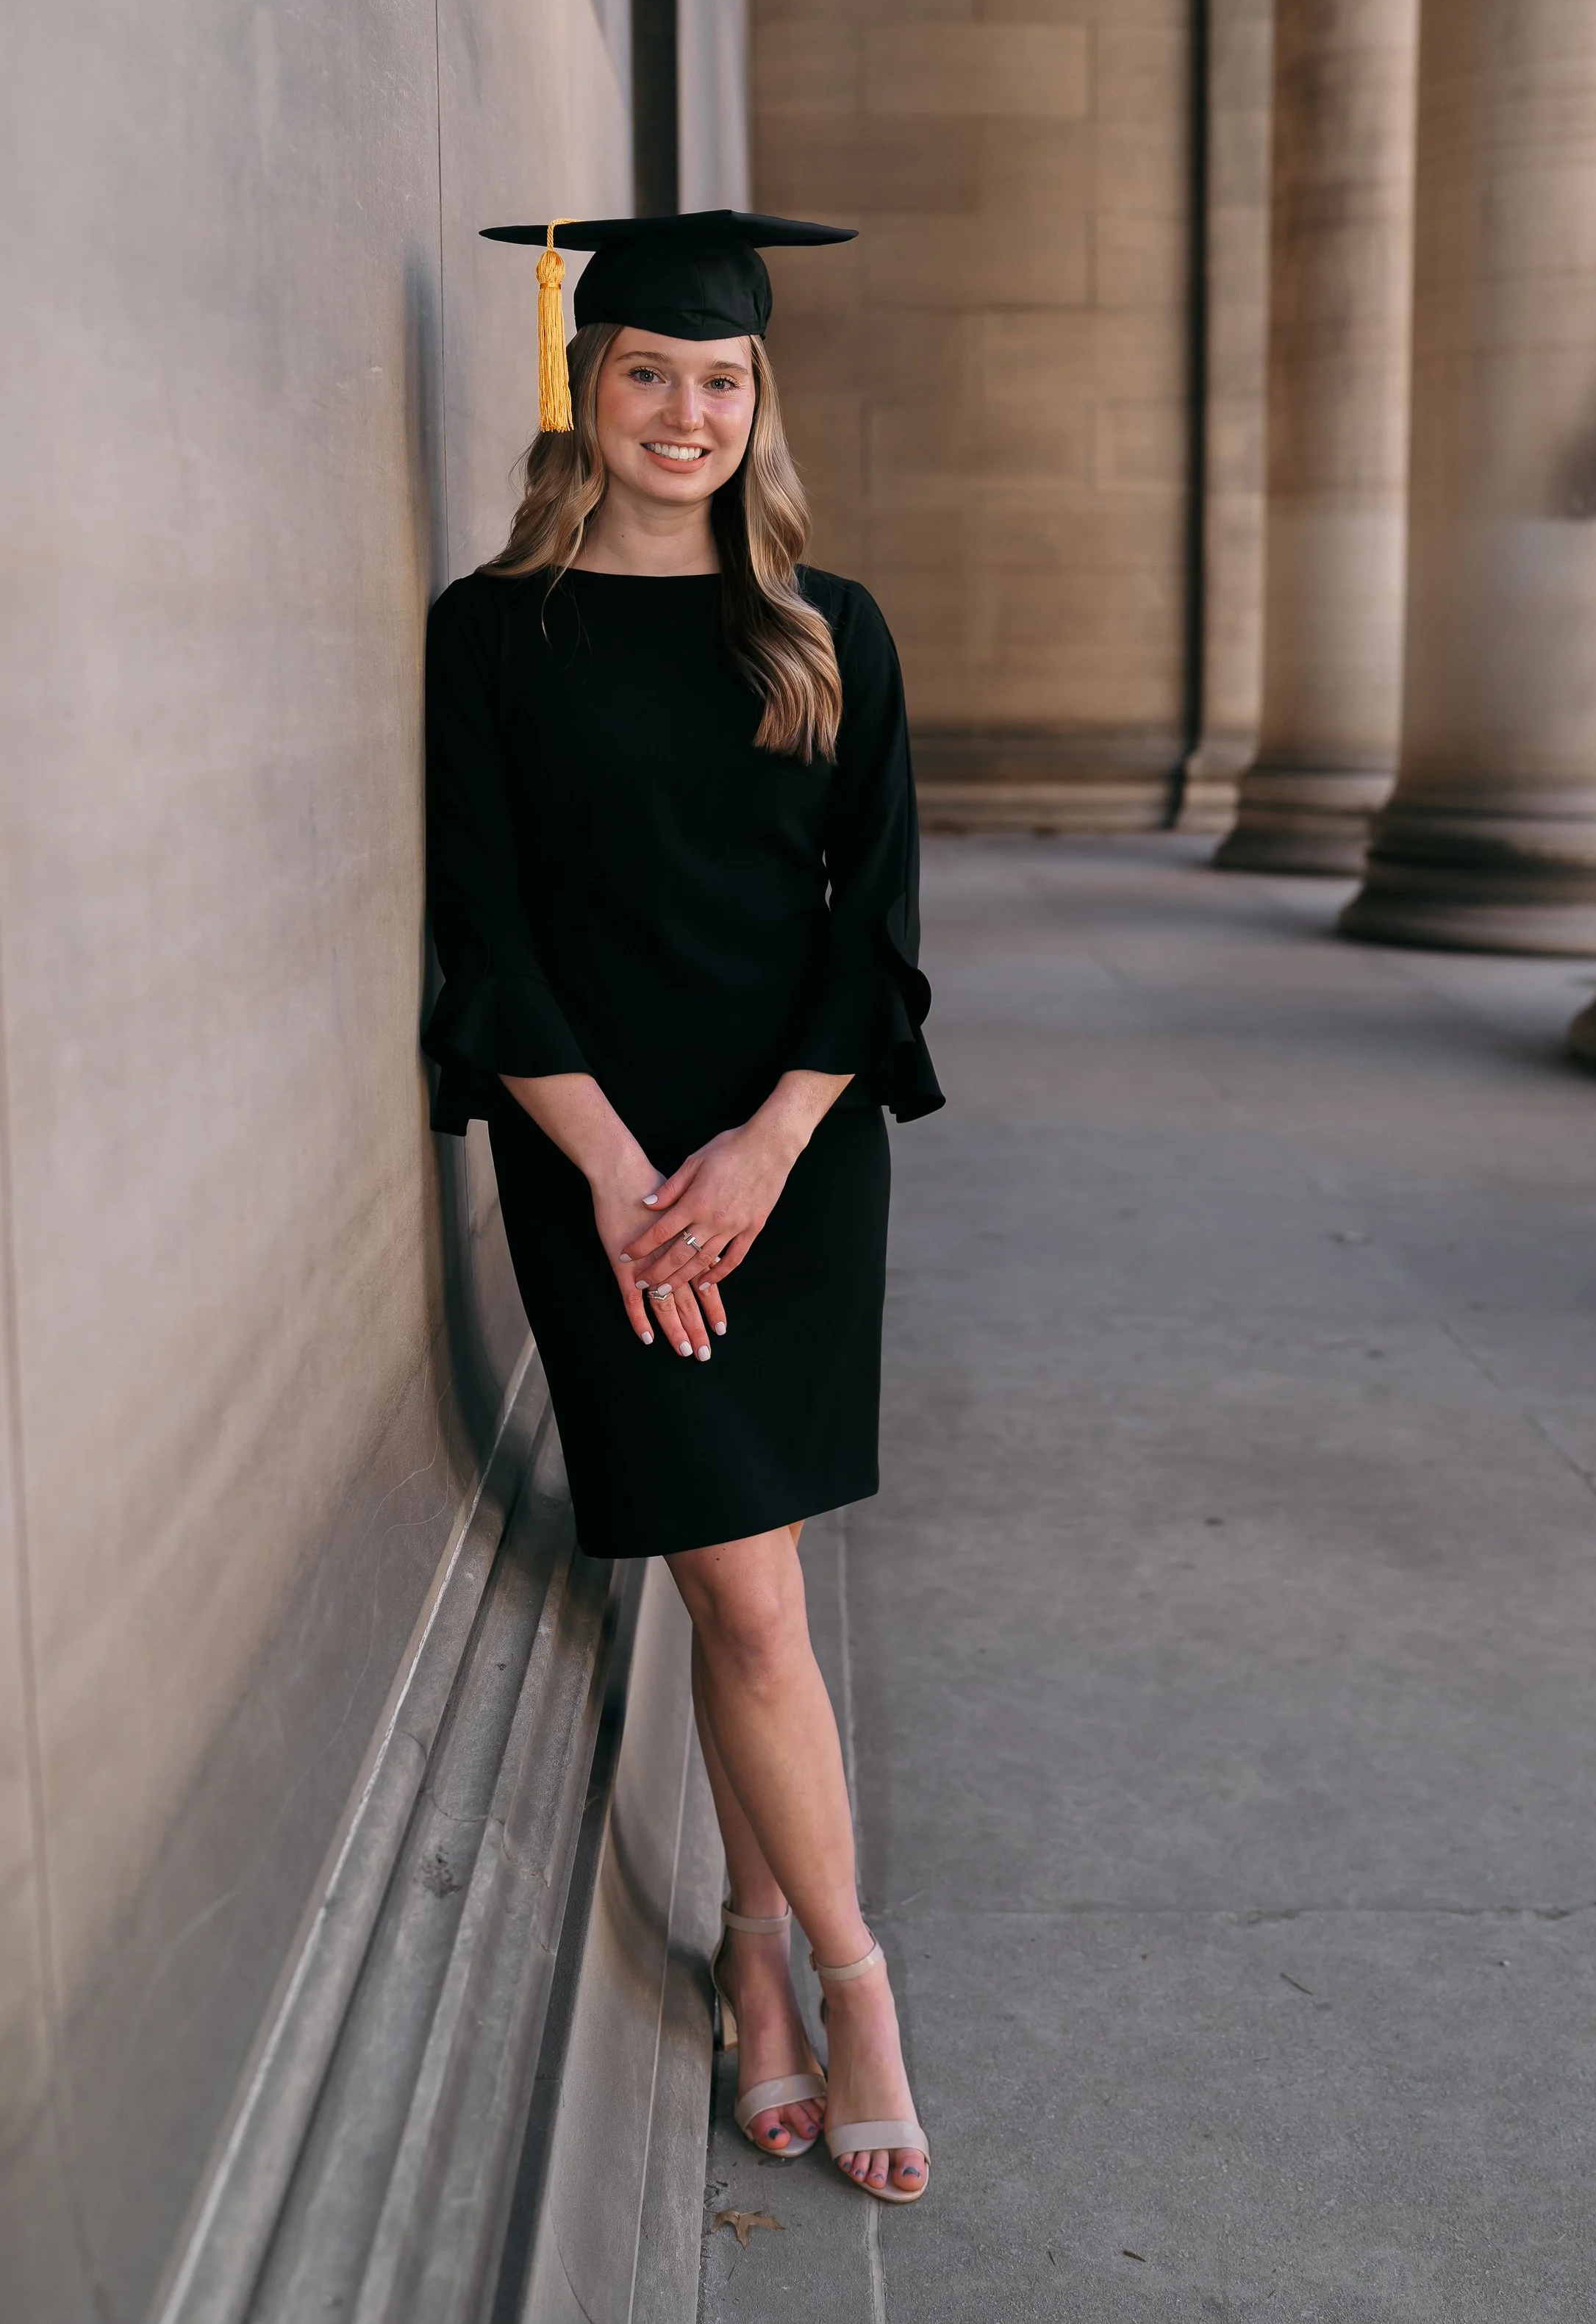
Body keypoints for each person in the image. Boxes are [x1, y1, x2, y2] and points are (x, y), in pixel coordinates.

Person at [421, 212, 941, 2203]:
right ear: (588, 390)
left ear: (758, 402)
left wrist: (763, 1147)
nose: (686, 413)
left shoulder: (827, 628)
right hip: (603, 1173)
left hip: (790, 1169)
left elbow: (870, 944)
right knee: (743, 1594)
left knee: (748, 1594)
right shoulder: (496, 629)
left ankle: (764, 1945)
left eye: (719, 381)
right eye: (646, 371)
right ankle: (850, 1972)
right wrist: (630, 1172)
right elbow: (484, 933)